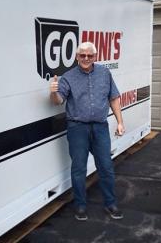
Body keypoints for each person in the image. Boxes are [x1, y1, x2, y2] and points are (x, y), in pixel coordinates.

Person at [50, 41, 125, 221]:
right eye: (82, 55)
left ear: (95, 57)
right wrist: (53, 92)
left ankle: (110, 203)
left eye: (89, 55)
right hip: (77, 128)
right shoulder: (68, 77)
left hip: (100, 127)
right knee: (78, 169)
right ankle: (80, 206)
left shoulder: (105, 73)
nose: (85, 58)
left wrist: (120, 122)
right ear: (77, 57)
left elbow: (113, 98)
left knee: (106, 166)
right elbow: (58, 101)